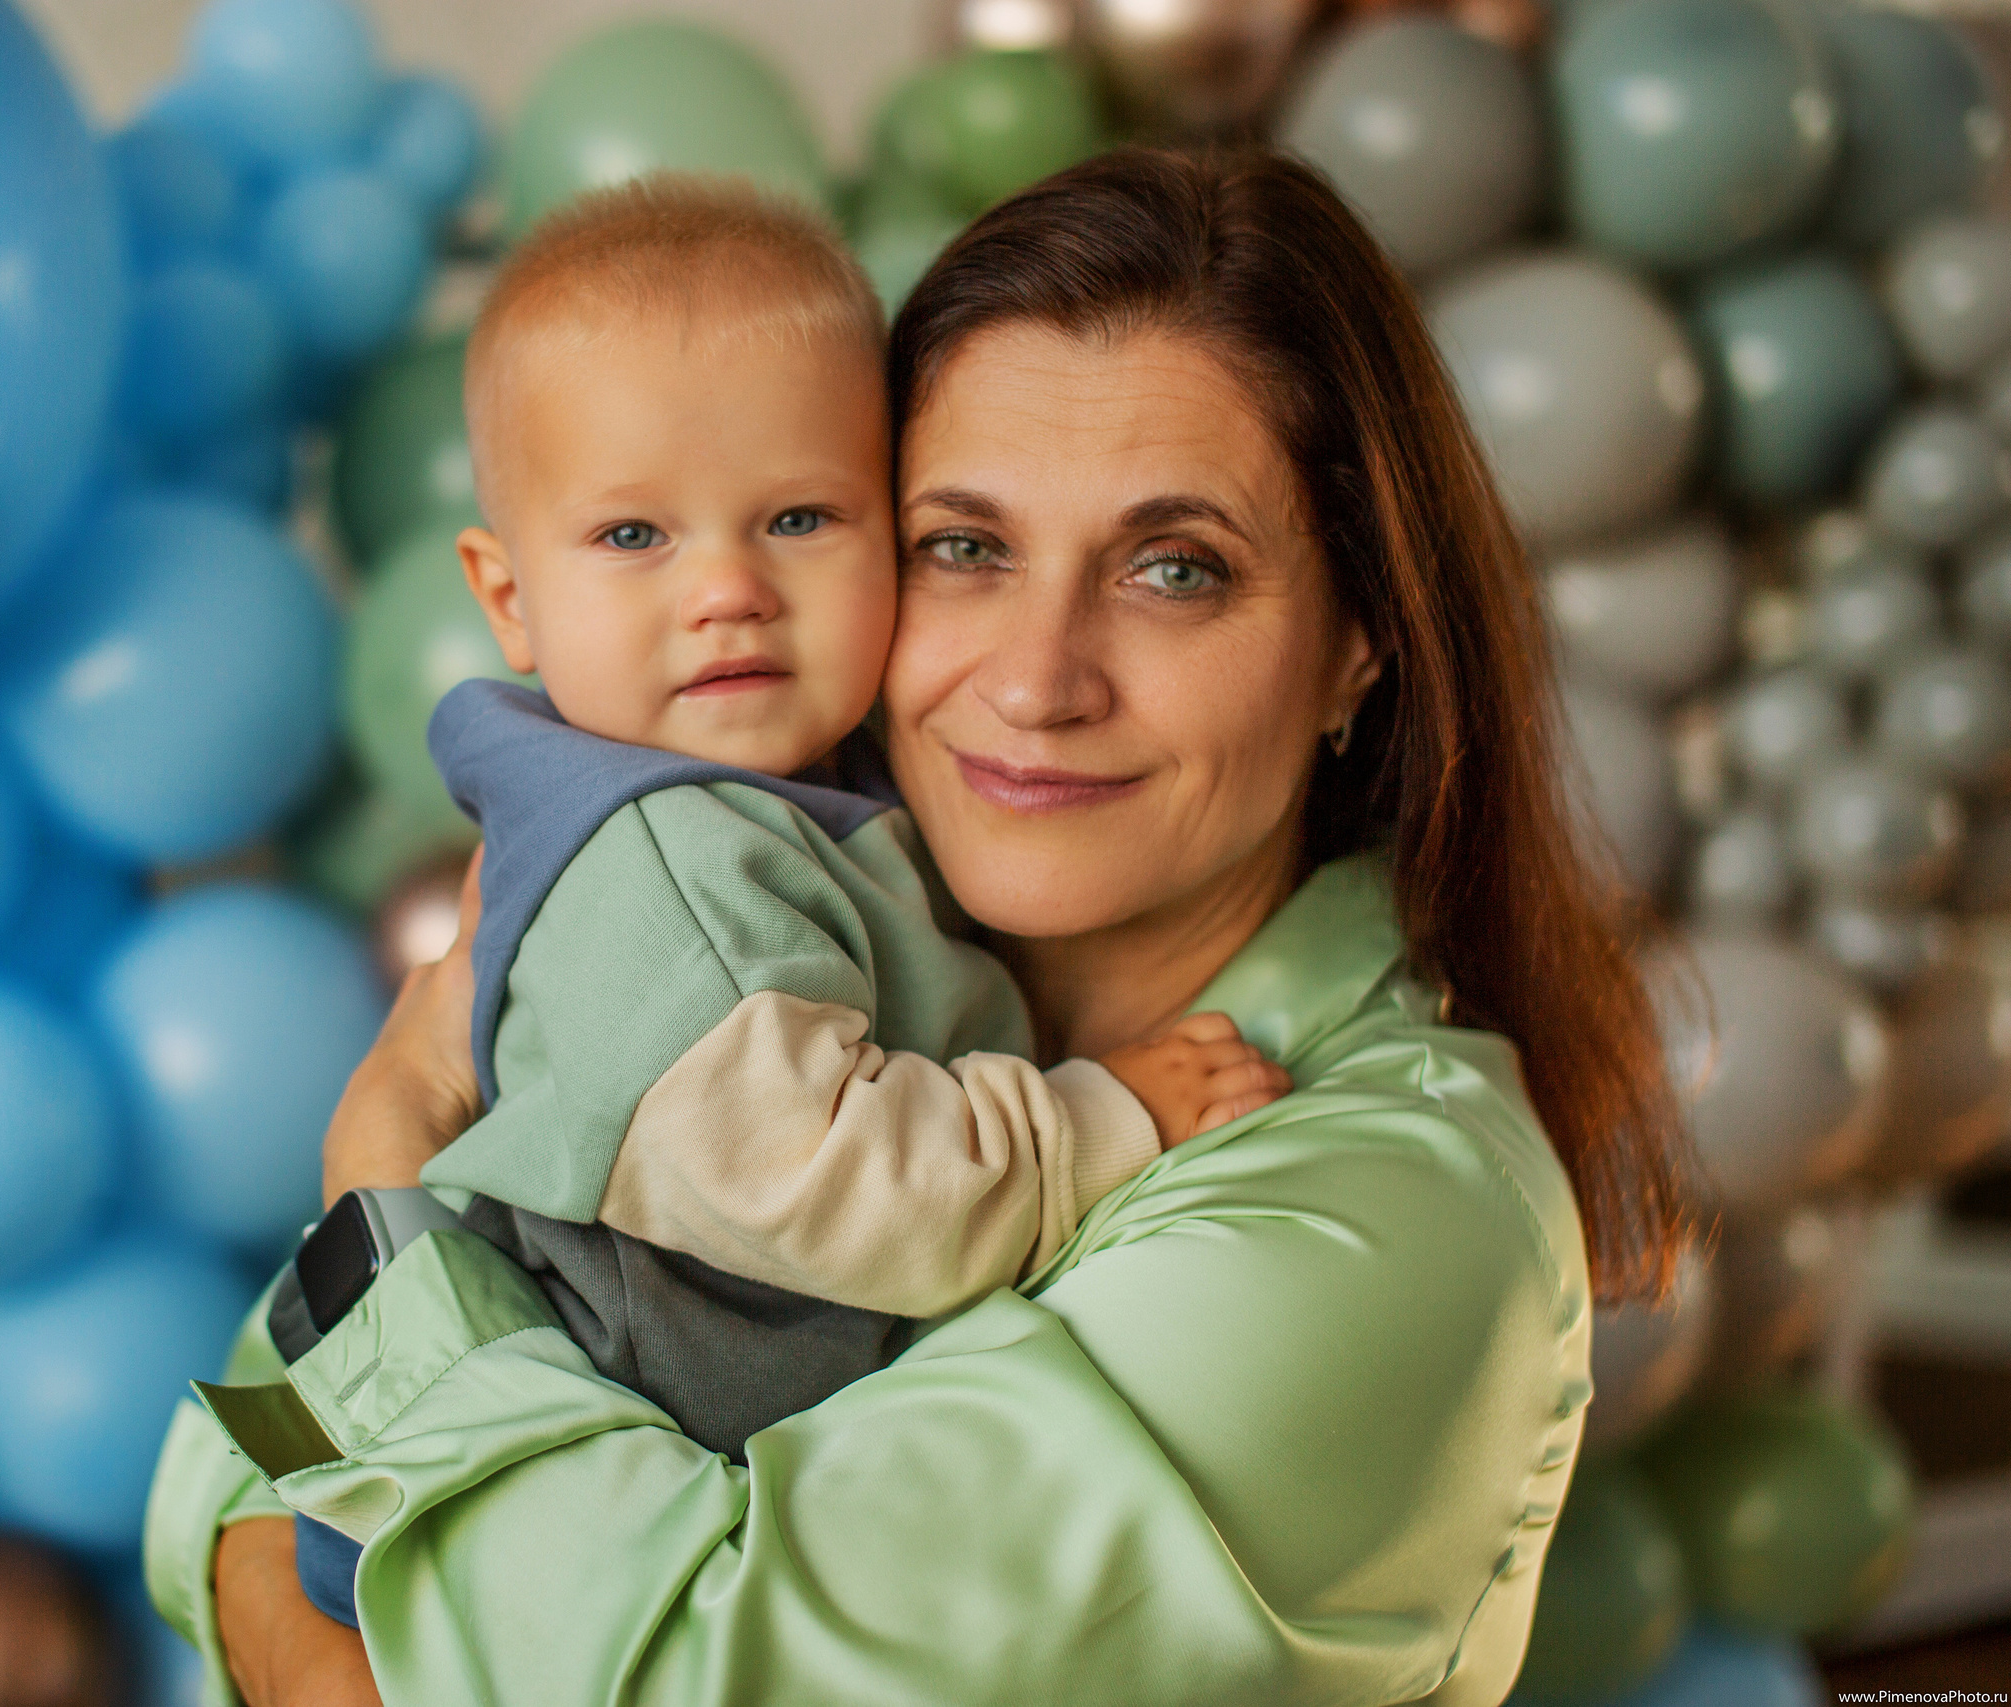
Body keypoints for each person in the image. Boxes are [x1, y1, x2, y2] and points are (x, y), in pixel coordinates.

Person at [147, 147, 1687, 1707]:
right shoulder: (766, 919)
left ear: (1361, 644)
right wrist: (285, 1526)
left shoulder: (1382, 1219)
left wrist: (375, 1213)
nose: (1035, 679)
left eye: (1175, 568)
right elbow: (227, 1454)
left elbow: (662, 1675)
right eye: (967, 544)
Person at [277, 173, 1290, 1630]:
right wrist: (1104, 1113)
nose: (729, 591)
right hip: (573, 1533)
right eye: (635, 537)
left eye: (802, 517)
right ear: (508, 601)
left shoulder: (801, 795)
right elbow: (843, 1190)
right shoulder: (669, 873)